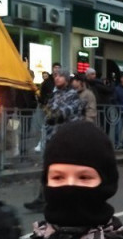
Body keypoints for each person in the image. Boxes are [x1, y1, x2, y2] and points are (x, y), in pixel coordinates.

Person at [24, 69, 84, 212]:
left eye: (60, 76)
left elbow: (62, 113)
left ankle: (70, 200)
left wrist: (51, 113)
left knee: (63, 171)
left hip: (66, 140)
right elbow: (49, 113)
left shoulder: (73, 95)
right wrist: (45, 105)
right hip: (52, 139)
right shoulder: (55, 95)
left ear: (67, 79)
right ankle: (42, 199)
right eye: (56, 76)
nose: (57, 78)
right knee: (49, 169)